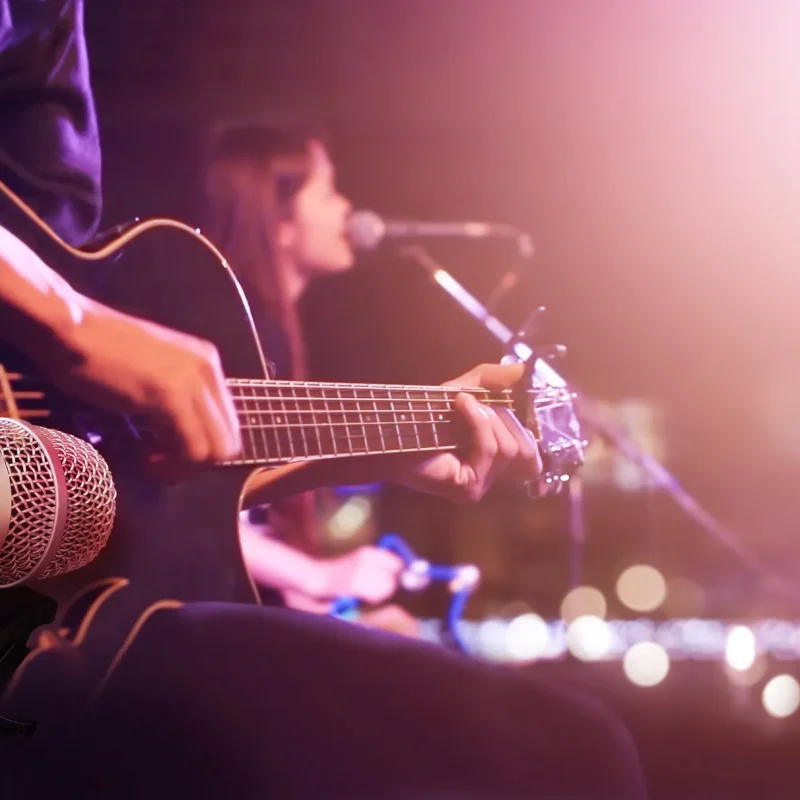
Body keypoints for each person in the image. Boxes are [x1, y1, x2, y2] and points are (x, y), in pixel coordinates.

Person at [0, 3, 648, 798]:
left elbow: (160, 487)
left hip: (52, 625)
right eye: (331, 187)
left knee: (567, 743)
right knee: (569, 751)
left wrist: (398, 437)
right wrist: (72, 322)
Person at [203, 121, 418, 634]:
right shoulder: (230, 327)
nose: (347, 208)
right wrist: (321, 576)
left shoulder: (265, 329)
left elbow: (245, 517)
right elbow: (193, 508)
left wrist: (320, 609)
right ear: (279, 222)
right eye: (327, 192)